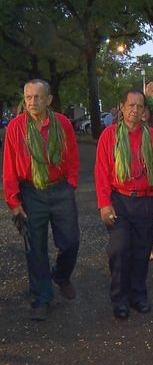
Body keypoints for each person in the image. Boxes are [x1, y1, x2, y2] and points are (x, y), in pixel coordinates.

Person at [3, 79, 80, 321]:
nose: (33, 102)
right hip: (30, 192)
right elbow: (9, 168)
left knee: (70, 242)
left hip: (60, 189)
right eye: (28, 97)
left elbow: (73, 156)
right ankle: (42, 297)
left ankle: (61, 275)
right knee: (34, 249)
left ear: (48, 100)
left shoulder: (63, 124)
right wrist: (13, 202)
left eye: (38, 97)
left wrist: (71, 183)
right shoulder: (16, 127)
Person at [95, 90, 153, 319]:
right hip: (120, 200)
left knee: (142, 251)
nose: (135, 110)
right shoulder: (109, 135)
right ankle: (120, 298)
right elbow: (102, 173)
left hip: (145, 200)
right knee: (120, 249)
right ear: (122, 107)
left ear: (145, 111)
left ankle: (138, 294)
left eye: (140, 106)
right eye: (130, 105)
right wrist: (105, 204)